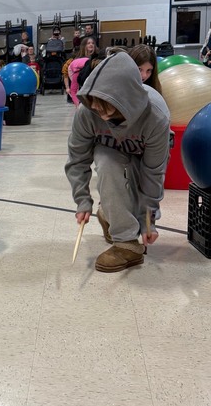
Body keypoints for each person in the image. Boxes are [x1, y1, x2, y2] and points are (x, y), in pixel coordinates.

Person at [66, 50, 170, 273]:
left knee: (137, 181)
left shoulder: (156, 116)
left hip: (142, 161)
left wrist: (148, 219)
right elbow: (77, 159)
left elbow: (153, 172)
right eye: (96, 108)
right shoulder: (87, 110)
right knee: (106, 161)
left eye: (109, 110)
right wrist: (82, 200)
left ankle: (110, 214)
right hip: (111, 154)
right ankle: (126, 244)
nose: (101, 116)